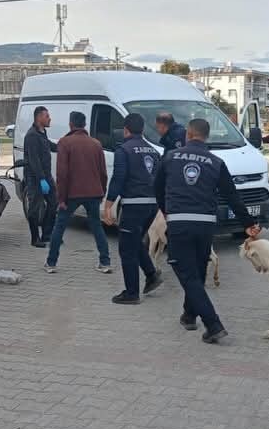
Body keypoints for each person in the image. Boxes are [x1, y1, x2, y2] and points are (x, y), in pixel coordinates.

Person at [155, 118, 261, 344]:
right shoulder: (216, 162)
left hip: (180, 222)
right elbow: (232, 196)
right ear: (206, 136)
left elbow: (157, 188)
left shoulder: (170, 158)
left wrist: (166, 211)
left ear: (188, 134)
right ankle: (189, 315)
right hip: (205, 225)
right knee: (197, 271)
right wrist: (248, 223)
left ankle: (213, 324)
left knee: (187, 274)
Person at [103, 113, 164, 305]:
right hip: (151, 206)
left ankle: (131, 293)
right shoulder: (153, 151)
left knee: (126, 248)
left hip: (133, 205)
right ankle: (152, 275)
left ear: (125, 129)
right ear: (143, 130)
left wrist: (108, 205)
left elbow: (119, 178)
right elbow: (160, 181)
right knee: (135, 241)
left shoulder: (124, 150)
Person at [45, 111, 112, 274]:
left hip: (72, 193)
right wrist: (102, 191)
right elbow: (103, 172)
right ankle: (105, 262)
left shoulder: (65, 143)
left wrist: (61, 197)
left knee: (60, 226)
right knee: (97, 226)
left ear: (70, 124)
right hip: (93, 192)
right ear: (85, 124)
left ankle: (51, 263)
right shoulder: (96, 144)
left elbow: (62, 173)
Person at [23, 106, 58, 248]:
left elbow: (51, 146)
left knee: (53, 204)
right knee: (34, 208)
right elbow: (34, 160)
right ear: (39, 118)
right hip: (35, 178)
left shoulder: (42, 133)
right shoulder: (31, 135)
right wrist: (42, 179)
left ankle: (47, 234)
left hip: (46, 176)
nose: (49, 118)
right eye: (47, 116)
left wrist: (67, 142)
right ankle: (35, 238)